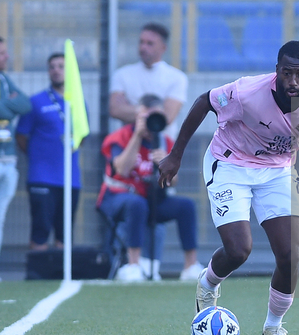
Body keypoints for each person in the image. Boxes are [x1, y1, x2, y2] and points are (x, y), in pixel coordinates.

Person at [158, 41, 299, 335]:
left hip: (278, 170)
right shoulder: (247, 91)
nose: (293, 81)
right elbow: (204, 102)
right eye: (287, 73)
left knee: (290, 256)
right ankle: (208, 282)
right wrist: (176, 155)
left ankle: (273, 328)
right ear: (276, 70)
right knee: (239, 250)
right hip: (230, 163)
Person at [109, 22, 189, 278]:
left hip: (162, 153)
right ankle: (131, 264)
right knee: (133, 206)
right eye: (141, 42)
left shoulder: (176, 77)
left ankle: (152, 265)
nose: (143, 47)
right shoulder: (122, 74)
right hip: (131, 149)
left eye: (149, 43)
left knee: (159, 204)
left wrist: (133, 109)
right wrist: (146, 112)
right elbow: (114, 108)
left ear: (163, 47)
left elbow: (166, 117)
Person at [97, 94, 201, 282]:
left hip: (150, 200)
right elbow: (122, 169)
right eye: (148, 117)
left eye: (158, 116)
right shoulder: (119, 137)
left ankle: (190, 266)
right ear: (138, 116)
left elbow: (173, 182)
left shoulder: (165, 142)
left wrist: (165, 165)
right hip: (116, 197)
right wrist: (137, 136)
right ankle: (133, 266)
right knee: (136, 205)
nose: (153, 121)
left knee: (186, 206)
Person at [16, 53, 84, 250]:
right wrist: (39, 155)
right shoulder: (36, 102)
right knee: (40, 230)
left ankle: (61, 276)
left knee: (65, 232)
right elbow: (21, 136)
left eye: (61, 66)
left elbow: (82, 135)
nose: (56, 70)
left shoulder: (78, 103)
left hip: (71, 179)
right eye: (52, 66)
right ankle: (38, 275)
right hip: (42, 177)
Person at [0, 36, 31, 270]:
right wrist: (8, 105)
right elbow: (10, 108)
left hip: (8, 158)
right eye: (1, 53)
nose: (6, 57)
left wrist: (6, 105)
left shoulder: (5, 79)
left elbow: (25, 104)